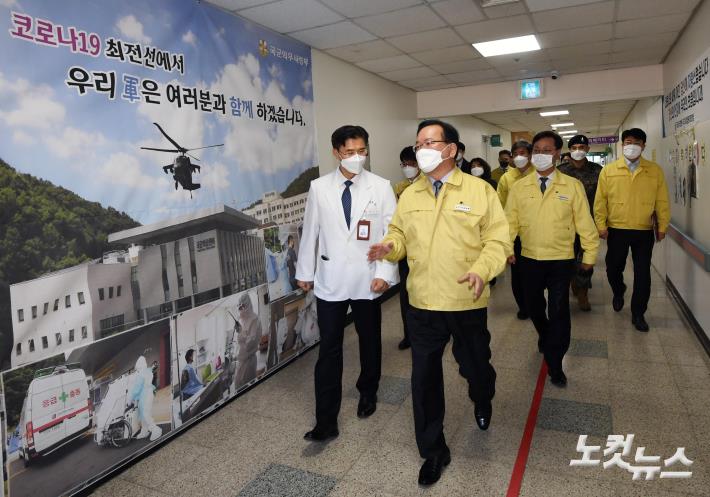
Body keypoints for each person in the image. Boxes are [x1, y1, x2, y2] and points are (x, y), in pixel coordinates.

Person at [368, 119, 510, 486]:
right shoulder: (411, 194)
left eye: (429, 142)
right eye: (418, 144)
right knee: (424, 378)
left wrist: (482, 269)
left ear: (451, 149)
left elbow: (498, 241)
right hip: (423, 304)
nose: (421, 150)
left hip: (467, 300)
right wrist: (391, 246)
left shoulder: (480, 191)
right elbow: (399, 233)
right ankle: (433, 451)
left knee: (476, 367)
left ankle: (482, 397)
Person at [296, 125, 398, 442]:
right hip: (331, 280)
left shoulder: (381, 187)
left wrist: (385, 273)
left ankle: (368, 390)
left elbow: (391, 235)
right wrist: (305, 271)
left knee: (369, 341)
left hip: (368, 278)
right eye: (350, 152)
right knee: (330, 348)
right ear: (337, 152)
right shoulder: (319, 187)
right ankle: (326, 420)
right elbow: (310, 231)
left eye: (362, 151)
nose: (357, 157)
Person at [505, 131, 599, 387]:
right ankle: (545, 335)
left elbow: (585, 225)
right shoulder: (519, 187)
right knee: (534, 308)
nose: (541, 155)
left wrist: (589, 256)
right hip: (529, 259)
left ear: (558, 154)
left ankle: (556, 362)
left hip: (561, 259)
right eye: (537, 150)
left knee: (558, 311)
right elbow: (509, 223)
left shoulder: (572, 186)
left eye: (547, 150)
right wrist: (505, 249)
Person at [594, 128, 670, 332]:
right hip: (617, 229)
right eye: (628, 141)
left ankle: (638, 313)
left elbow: (662, 200)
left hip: (643, 230)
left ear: (644, 145)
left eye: (637, 142)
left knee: (643, 273)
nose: (632, 145)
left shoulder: (654, 170)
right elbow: (600, 201)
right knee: (612, 268)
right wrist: (601, 225)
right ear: (622, 144)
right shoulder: (609, 170)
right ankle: (618, 291)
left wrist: (662, 225)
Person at [558, 135, 603, 311]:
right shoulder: (560, 171)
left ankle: (583, 291)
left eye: (582, 147)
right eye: (575, 147)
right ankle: (572, 282)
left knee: (586, 258)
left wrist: (601, 223)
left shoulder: (597, 170)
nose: (578, 150)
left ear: (587, 150)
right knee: (567, 257)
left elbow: (602, 198)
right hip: (565, 224)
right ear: (570, 150)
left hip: (588, 223)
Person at [497, 140, 534, 319]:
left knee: (533, 272)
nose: (520, 157)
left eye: (524, 153)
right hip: (515, 234)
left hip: (536, 232)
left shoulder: (538, 173)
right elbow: (500, 205)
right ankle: (523, 306)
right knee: (517, 274)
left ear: (531, 155)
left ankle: (535, 302)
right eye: (516, 154)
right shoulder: (506, 178)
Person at [392, 146, 419, 350]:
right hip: (405, 248)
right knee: (406, 293)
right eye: (404, 164)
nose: (408, 168)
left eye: (411, 164)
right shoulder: (398, 187)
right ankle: (409, 334)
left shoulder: (429, 185)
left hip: (426, 247)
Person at [130, 356, 162, 442]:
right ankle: (144, 430)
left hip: (145, 395)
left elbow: (137, 388)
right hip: (149, 393)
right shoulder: (148, 371)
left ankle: (155, 430)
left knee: (145, 413)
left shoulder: (141, 374)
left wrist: (131, 398)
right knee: (143, 412)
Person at [234, 293, 261, 389]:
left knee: (246, 388)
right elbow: (240, 341)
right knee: (238, 385)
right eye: (239, 306)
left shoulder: (254, 320)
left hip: (249, 362)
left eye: (243, 306)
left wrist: (241, 332)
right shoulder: (243, 320)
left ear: (248, 304)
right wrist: (239, 331)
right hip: (242, 361)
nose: (241, 309)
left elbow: (250, 343)